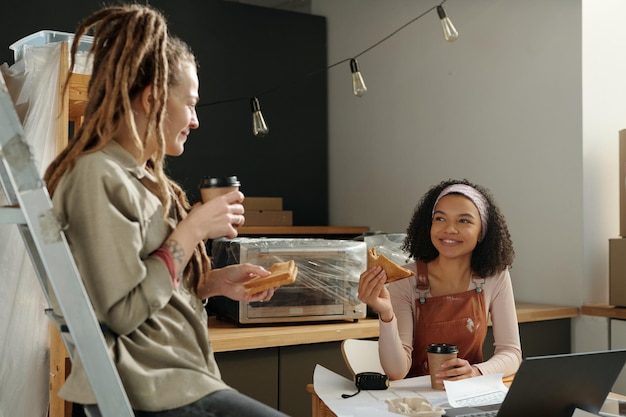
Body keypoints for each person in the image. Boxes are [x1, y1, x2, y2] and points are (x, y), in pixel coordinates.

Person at [44, 4, 289, 417]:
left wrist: (214, 283)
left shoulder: (139, 180)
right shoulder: (95, 176)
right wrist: (191, 230)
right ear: (152, 98)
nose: (194, 120)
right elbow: (122, 314)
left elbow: (146, 286)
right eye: (190, 104)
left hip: (182, 378)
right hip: (148, 389)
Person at [358, 179, 521, 384]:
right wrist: (386, 313)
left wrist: (477, 372)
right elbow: (396, 372)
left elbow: (511, 353)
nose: (449, 229)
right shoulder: (407, 279)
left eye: (464, 221)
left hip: (469, 393)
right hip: (416, 403)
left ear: (482, 231)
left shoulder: (494, 276)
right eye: (440, 219)